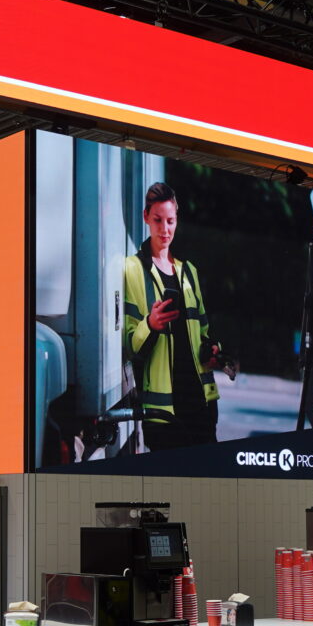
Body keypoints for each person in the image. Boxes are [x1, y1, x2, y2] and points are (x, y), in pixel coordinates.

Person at [122, 182, 224, 451]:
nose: (165, 229)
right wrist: (150, 324)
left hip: (201, 405)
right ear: (146, 217)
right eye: (157, 220)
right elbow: (131, 343)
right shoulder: (132, 269)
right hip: (163, 413)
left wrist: (213, 350)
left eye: (170, 221)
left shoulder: (189, 271)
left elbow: (203, 332)